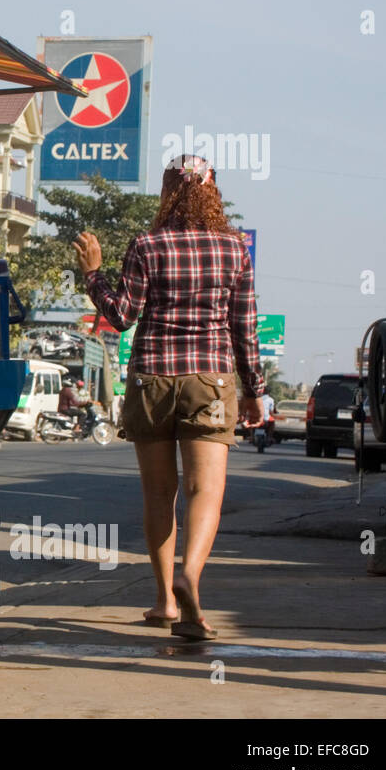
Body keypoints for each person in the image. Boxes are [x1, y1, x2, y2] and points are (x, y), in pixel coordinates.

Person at [73, 154, 264, 641]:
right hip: (211, 380)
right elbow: (245, 327)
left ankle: (163, 602)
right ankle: (190, 578)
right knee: (206, 492)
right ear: (212, 190)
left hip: (152, 378)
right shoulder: (234, 249)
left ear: (167, 192)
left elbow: (121, 316)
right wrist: (255, 390)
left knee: (159, 494)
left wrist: (93, 273)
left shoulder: (146, 244)